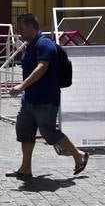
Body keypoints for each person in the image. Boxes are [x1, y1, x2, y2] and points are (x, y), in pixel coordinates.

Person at [6, 13, 89, 180]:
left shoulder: (45, 44)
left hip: (46, 99)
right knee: (24, 130)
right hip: (29, 99)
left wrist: (22, 86)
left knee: (48, 132)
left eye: (21, 29)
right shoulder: (29, 45)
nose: (19, 32)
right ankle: (25, 168)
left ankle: (78, 155)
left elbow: (42, 67)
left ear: (31, 27)